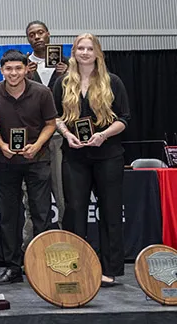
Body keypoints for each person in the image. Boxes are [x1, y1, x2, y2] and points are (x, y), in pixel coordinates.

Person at [53, 33, 129, 287]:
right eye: (80, 48)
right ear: (74, 52)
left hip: (108, 156)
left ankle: (110, 269)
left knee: (109, 214)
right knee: (74, 212)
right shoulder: (63, 82)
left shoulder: (113, 82)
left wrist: (103, 135)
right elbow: (54, 117)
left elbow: (124, 119)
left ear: (98, 52)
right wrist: (66, 135)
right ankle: (76, 267)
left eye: (89, 48)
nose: (84, 52)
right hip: (74, 157)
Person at [0, 50, 58, 284]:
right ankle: (12, 267)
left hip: (37, 161)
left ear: (27, 68)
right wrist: (1, 144)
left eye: (18, 68)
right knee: (9, 215)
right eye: (8, 69)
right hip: (6, 160)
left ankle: (42, 265)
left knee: (41, 214)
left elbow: (51, 124)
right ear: (1, 70)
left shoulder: (42, 92)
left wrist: (37, 145)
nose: (14, 73)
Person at [25, 20, 68, 223]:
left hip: (60, 135)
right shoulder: (22, 66)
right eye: (32, 34)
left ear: (48, 34)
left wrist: (66, 76)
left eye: (40, 32)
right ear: (28, 39)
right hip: (33, 136)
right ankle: (30, 247)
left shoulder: (67, 64)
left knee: (63, 194)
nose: (37, 37)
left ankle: (70, 242)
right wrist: (27, 76)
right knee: (32, 199)